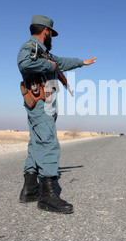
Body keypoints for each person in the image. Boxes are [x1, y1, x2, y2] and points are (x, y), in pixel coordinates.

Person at [17, 15, 96, 214]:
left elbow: (62, 62)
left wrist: (81, 63)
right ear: (46, 32)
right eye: (51, 33)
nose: (52, 37)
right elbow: (24, 64)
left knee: (36, 142)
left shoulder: (46, 54)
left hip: (44, 104)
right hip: (40, 103)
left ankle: (30, 188)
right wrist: (49, 66)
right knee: (49, 142)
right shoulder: (32, 48)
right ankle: (48, 194)